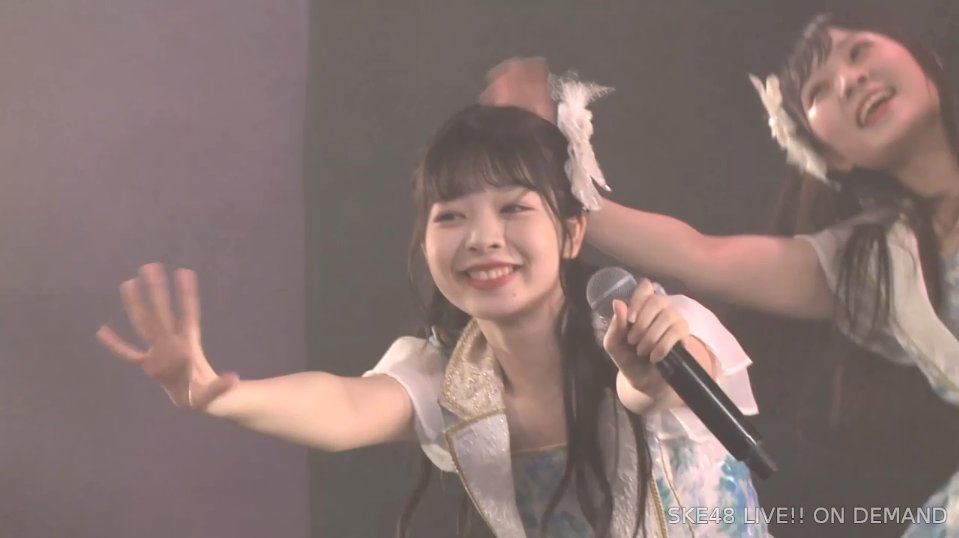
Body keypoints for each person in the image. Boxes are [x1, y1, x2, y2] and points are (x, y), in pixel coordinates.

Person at [96, 93, 767, 537]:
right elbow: (345, 407)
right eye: (451, 216)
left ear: (570, 233)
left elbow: (669, 383)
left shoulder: (658, 322)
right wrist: (220, 395)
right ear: (424, 242)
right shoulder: (448, 376)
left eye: (513, 208)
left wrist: (648, 379)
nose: (482, 238)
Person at [480, 10, 959, 537]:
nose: (849, 79)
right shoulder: (876, 267)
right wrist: (553, 170)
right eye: (819, 90)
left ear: (924, 57)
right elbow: (698, 256)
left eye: (859, 51)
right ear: (831, 158)